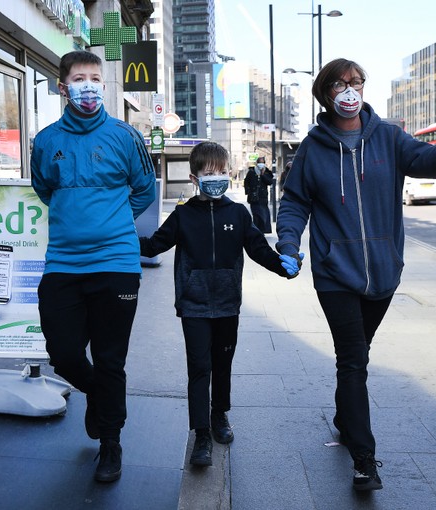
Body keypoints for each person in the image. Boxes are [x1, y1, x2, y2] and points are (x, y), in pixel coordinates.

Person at [274, 58, 436, 491]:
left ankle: (346, 416)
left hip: (383, 272)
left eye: (356, 82)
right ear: (325, 93)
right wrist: (288, 244)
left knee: (357, 357)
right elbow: (294, 203)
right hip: (334, 273)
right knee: (353, 359)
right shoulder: (312, 148)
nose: (349, 91)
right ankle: (364, 459)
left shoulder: (388, 138)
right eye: (340, 84)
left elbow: (434, 159)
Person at [30, 50, 156, 484]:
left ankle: (110, 443)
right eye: (79, 78)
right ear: (63, 85)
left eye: (95, 78)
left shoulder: (124, 136)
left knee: (109, 358)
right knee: (63, 353)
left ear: (103, 85)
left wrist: (112, 221)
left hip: (117, 263)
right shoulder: (46, 141)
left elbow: (144, 190)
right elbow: (45, 188)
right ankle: (100, 398)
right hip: (63, 263)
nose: (88, 84)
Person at [139, 141, 302, 466]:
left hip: (228, 304)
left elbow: (258, 248)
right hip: (194, 306)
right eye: (209, 173)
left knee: (222, 366)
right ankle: (201, 434)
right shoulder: (183, 215)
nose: (217, 177)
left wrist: (284, 265)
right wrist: (119, 239)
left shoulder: (238, 214)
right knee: (199, 369)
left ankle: (220, 416)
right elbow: (155, 245)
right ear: (194, 176)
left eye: (222, 172)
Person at [244, 156, 274, 233]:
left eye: (262, 162)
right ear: (257, 163)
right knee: (256, 214)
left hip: (263, 197)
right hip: (253, 197)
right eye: (260, 162)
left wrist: (263, 175)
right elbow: (246, 181)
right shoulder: (252, 171)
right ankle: (256, 230)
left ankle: (263, 230)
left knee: (263, 214)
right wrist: (248, 191)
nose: (261, 164)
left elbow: (270, 182)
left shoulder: (267, 172)